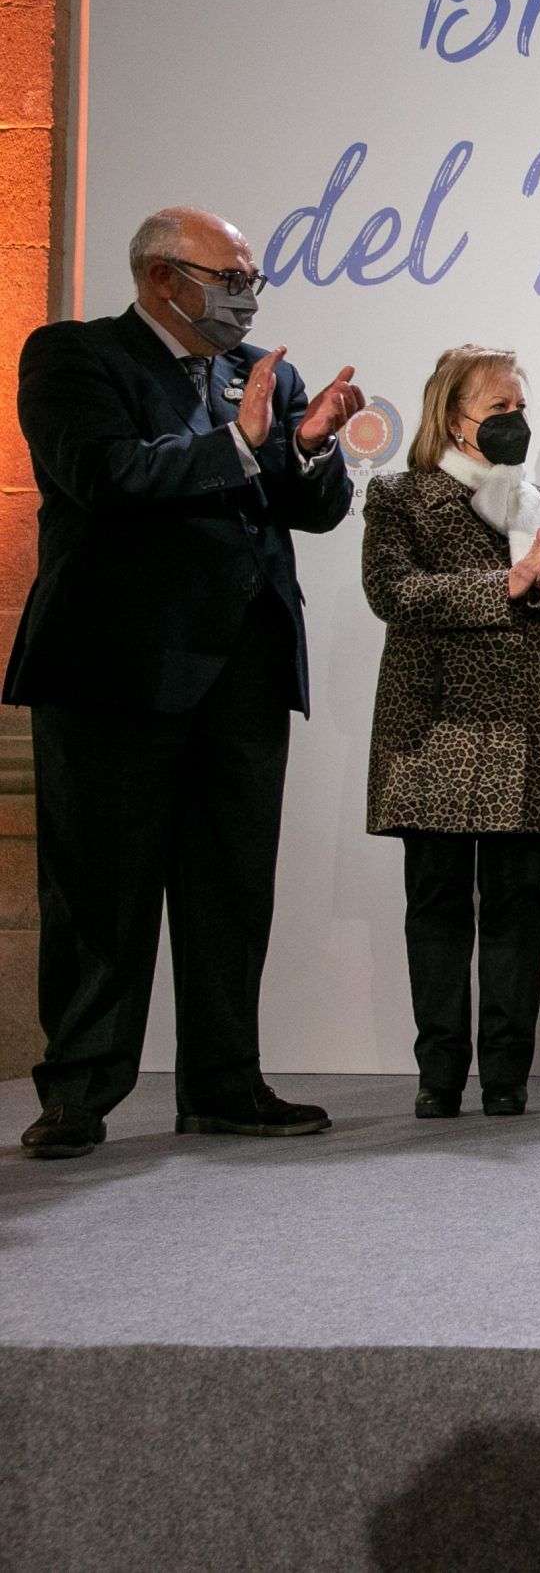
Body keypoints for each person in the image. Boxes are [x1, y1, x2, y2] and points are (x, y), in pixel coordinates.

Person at [10, 207, 364, 1160]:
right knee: (100, 893)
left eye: (251, 278)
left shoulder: (266, 374)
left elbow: (314, 510)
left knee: (231, 892)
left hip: (243, 671)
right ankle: (79, 1091)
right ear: (164, 278)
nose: (246, 294)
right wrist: (241, 445)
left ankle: (223, 1083)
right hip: (115, 671)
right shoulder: (76, 356)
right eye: (229, 276)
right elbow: (104, 474)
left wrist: (310, 444)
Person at [362, 346, 540, 1119]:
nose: (514, 421)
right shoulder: (400, 495)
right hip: (436, 728)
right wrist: (503, 584)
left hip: (527, 731)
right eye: (498, 408)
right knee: (437, 905)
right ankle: (439, 1075)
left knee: (516, 907)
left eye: (519, 407)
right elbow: (393, 591)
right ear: (453, 417)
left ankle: (506, 1075)